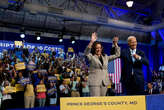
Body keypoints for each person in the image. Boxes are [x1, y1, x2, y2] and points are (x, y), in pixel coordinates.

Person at [84, 32, 120, 96]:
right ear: (94, 49)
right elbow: (86, 53)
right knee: (96, 102)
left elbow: (117, 55)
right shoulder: (91, 56)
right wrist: (91, 42)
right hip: (94, 83)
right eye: (97, 48)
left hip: (104, 82)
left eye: (100, 48)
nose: (98, 49)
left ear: (101, 48)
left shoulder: (106, 57)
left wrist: (115, 44)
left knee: (102, 102)